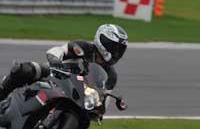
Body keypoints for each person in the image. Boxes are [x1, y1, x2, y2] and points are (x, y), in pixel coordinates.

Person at [0, 24, 128, 101]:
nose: (116, 53)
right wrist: (55, 60)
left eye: (120, 50)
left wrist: (100, 109)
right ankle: (2, 91)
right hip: (55, 76)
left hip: (76, 97)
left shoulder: (111, 76)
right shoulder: (84, 47)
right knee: (25, 69)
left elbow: (104, 99)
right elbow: (58, 50)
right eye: (114, 47)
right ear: (103, 41)